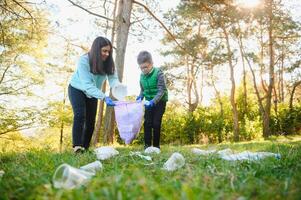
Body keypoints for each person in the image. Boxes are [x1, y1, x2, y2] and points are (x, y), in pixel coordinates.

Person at [68, 36, 120, 153]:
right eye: (104, 51)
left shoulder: (108, 63)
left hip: (93, 92)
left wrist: (117, 87)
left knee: (91, 121)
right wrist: (104, 97)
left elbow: (113, 79)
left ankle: (85, 148)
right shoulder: (84, 60)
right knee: (80, 114)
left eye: (109, 51)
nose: (107, 54)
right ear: (97, 50)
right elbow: (87, 85)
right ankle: (77, 147)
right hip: (77, 88)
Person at [136, 51, 168, 149]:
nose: (144, 70)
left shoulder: (159, 73)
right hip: (148, 102)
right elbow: (143, 90)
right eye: (141, 67)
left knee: (156, 123)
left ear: (151, 64)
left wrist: (153, 102)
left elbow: (161, 90)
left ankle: (156, 146)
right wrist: (140, 96)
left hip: (160, 101)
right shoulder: (141, 76)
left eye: (145, 67)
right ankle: (147, 146)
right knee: (147, 123)